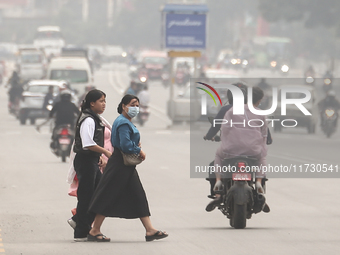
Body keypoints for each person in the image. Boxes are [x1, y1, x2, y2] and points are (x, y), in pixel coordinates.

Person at [87, 94, 168, 242]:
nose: (135, 108)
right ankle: (94, 230)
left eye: (137, 105)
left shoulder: (124, 121)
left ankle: (150, 230)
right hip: (120, 164)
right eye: (132, 104)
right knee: (107, 195)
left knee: (138, 195)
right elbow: (124, 145)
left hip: (125, 165)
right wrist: (138, 150)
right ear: (124, 106)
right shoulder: (123, 123)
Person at [205, 87, 270, 213]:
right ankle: (259, 182)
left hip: (230, 151)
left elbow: (224, 130)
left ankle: (218, 183)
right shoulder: (261, 114)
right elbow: (265, 135)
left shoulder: (231, 110)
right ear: (260, 100)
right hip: (253, 152)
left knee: (218, 156)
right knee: (262, 159)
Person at [72, 89, 112, 241]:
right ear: (92, 103)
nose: (104, 104)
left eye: (105, 101)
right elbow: (88, 143)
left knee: (98, 194)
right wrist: (106, 153)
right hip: (86, 161)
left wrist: (98, 156)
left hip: (91, 160)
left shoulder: (95, 118)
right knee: (87, 196)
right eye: (101, 101)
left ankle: (79, 222)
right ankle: (81, 231)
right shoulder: (88, 120)